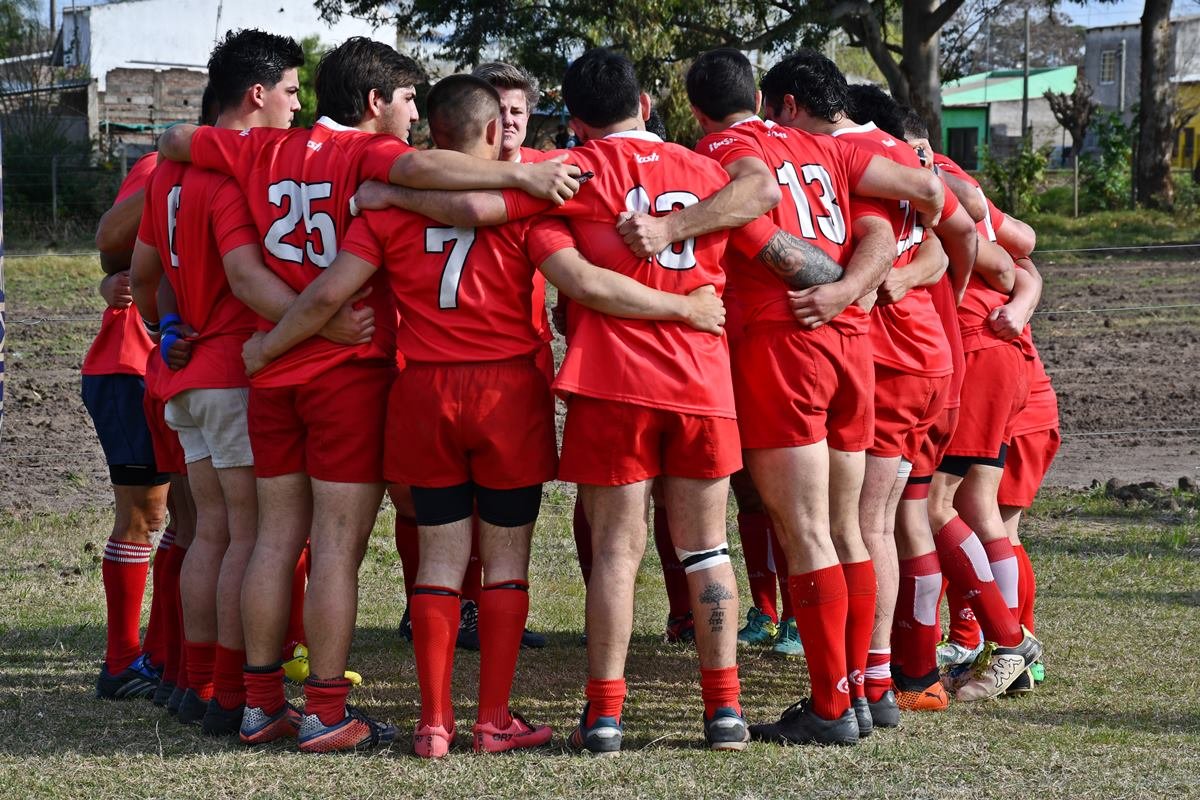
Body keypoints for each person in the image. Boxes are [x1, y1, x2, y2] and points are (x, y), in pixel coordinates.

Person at [244, 73, 732, 758]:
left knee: (440, 561)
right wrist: (686, 307)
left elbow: (332, 290)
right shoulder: (527, 201)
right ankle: (494, 718)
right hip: (508, 397)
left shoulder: (386, 210)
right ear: (496, 131)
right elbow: (577, 277)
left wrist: (271, 343)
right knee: (507, 561)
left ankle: (434, 723)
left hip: (424, 394)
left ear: (430, 135)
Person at [158, 36, 581, 754]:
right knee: (335, 545)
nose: (413, 116)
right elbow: (435, 179)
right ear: (375, 101)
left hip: (275, 377)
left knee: (270, 539)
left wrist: (273, 341)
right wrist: (528, 178)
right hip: (349, 375)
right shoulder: (369, 154)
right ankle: (326, 711)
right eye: (407, 100)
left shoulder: (259, 147)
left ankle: (259, 704)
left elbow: (175, 143)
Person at [685, 47, 896, 744]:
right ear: (761, 97)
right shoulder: (823, 143)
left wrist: (827, 286)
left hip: (786, 340)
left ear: (696, 110)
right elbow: (882, 227)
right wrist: (850, 289)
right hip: (851, 344)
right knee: (844, 528)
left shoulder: (718, 149)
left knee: (805, 531)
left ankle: (832, 707)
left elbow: (754, 230)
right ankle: (859, 692)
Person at [87, 147, 169, 702]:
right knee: (145, 516)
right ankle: (121, 662)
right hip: (129, 368)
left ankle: (163, 654)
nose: (296, 108)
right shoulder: (161, 164)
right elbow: (110, 247)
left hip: (176, 369)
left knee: (192, 520)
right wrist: (117, 281)